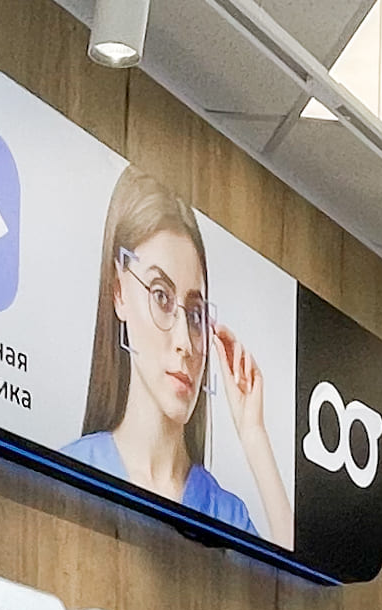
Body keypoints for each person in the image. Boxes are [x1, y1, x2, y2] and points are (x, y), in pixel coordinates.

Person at [61, 167, 286, 545]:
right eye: (161, 296)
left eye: (195, 313)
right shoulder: (72, 471)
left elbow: (291, 578)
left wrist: (254, 435)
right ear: (119, 292)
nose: (185, 342)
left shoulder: (227, 513)